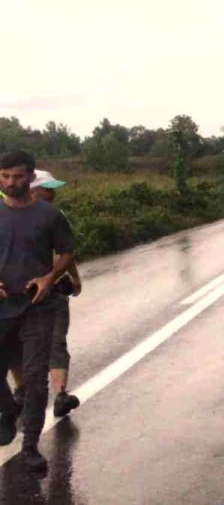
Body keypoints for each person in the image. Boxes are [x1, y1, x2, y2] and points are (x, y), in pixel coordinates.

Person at [0, 151, 77, 472]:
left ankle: (30, 445)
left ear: (31, 177)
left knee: (34, 378)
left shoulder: (50, 215)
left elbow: (68, 252)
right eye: (4, 176)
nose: (10, 183)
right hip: (2, 305)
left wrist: (50, 278)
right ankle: (7, 411)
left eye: (17, 176)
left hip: (37, 305)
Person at [8, 170, 81, 421]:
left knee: (56, 341)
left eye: (53, 189)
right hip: (13, 293)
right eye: (46, 188)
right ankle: (21, 391)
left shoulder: (54, 216)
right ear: (31, 187)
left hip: (51, 290)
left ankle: (60, 394)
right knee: (14, 345)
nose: (52, 193)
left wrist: (72, 276)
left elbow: (66, 252)